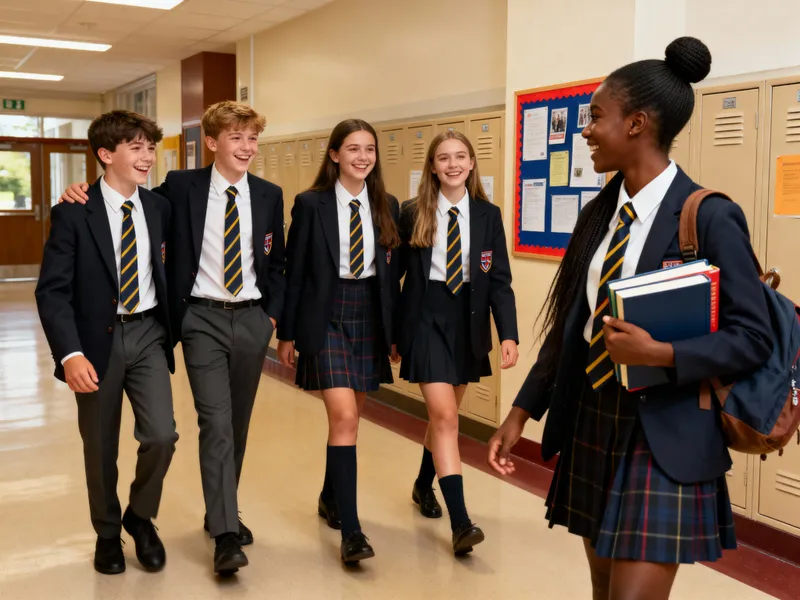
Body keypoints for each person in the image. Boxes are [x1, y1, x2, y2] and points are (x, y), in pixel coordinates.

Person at [488, 37, 773, 600]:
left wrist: (660, 355)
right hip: (594, 416)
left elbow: (754, 338)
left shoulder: (709, 217)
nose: (587, 131)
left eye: (596, 117)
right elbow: (573, 328)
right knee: (604, 591)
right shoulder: (599, 216)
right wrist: (520, 412)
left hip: (665, 434)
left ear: (637, 123)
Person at [59, 100, 286, 576]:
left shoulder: (258, 196)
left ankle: (160, 515)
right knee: (129, 438)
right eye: (236, 137)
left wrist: (271, 318)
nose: (247, 147)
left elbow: (277, 261)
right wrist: (79, 188)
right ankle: (128, 533)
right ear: (212, 142)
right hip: (179, 322)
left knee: (198, 430)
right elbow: (110, 199)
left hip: (215, 324)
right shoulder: (177, 190)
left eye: (252, 138)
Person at [37, 110, 178, 575]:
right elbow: (52, 291)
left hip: (149, 332)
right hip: (96, 342)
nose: (147, 156)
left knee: (162, 435)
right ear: (105, 154)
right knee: (100, 446)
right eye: (135, 147)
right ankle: (106, 533)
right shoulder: (74, 211)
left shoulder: (159, 207)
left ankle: (139, 516)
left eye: (150, 148)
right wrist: (70, 354)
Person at [276, 119, 400, 564]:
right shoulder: (311, 204)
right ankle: (352, 531)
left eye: (369, 149)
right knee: (344, 416)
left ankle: (331, 497)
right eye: (352, 149)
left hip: (369, 315)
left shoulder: (388, 204)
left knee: (351, 421)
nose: (362, 157)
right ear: (334, 155)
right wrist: (286, 333)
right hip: (326, 315)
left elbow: (393, 276)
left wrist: (394, 332)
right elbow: (294, 272)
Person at [398, 130, 518, 555]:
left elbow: (499, 281)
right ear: (432, 167)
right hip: (426, 318)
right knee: (447, 417)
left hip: (468, 322)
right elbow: (393, 276)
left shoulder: (487, 214)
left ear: (471, 164)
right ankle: (461, 522)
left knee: (442, 420)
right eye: (444, 158)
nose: (452, 164)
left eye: (460, 156)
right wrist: (390, 334)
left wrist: (508, 333)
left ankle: (422, 484)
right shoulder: (413, 212)